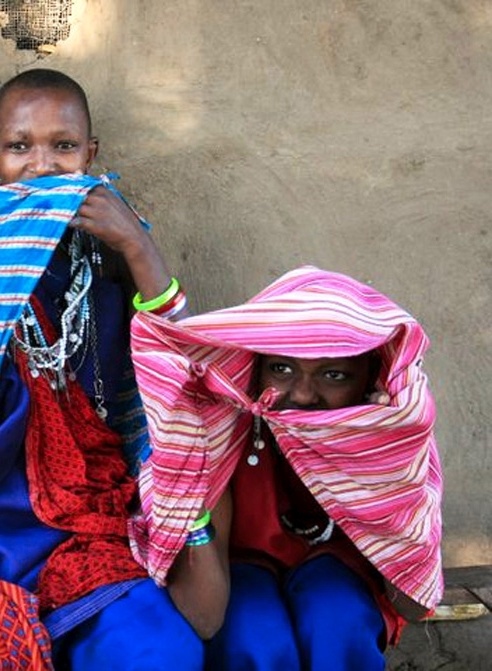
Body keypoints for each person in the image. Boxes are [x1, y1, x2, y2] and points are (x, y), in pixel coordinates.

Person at [0, 69, 214, 670]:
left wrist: (137, 246)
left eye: (65, 147)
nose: (43, 165)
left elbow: (182, 368)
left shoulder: (106, 262)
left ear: (92, 155)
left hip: (81, 526)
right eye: (20, 147)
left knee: (164, 654)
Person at [128, 266, 443, 670]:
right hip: (240, 566)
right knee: (253, 639)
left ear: (369, 376)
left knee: (337, 623)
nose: (302, 394)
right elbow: (205, 619)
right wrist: (185, 487)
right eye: (281, 368)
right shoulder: (221, 436)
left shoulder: (386, 439)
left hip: (337, 565)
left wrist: (384, 467)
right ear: (255, 366)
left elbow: (414, 605)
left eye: (334, 374)